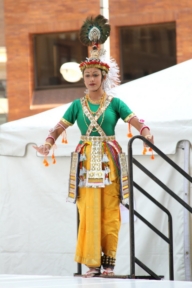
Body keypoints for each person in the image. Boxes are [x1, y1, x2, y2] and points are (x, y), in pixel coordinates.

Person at [33, 15, 154, 277]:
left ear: (103, 76)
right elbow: (59, 127)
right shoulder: (77, 105)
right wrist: (47, 143)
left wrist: (144, 129)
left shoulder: (115, 103)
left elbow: (135, 119)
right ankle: (92, 264)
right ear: (83, 78)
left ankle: (109, 264)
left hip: (110, 160)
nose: (90, 79)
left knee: (111, 211)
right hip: (86, 161)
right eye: (87, 75)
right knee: (87, 212)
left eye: (95, 75)